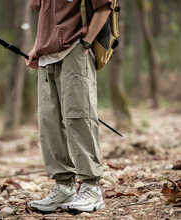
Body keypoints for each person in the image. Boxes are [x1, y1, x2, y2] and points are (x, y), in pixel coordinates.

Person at [26, 0, 112, 213]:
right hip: (47, 56)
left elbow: (104, 7)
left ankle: (91, 187)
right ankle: (64, 186)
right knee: (49, 122)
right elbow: (44, 15)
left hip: (75, 50)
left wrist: (87, 42)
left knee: (79, 117)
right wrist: (37, 47)